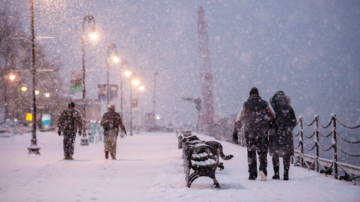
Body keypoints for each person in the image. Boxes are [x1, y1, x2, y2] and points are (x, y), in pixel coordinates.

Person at [233, 87, 275, 181]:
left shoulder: (246, 105)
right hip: (262, 133)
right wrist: (270, 124)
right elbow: (273, 115)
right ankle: (263, 170)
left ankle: (252, 173)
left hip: (249, 133)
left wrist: (235, 132)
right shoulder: (265, 104)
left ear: (250, 95)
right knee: (262, 153)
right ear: (258, 94)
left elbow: (239, 118)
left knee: (251, 153)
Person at [269, 91, 296, 181]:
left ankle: (276, 174)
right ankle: (286, 174)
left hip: (275, 134)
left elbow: (269, 120)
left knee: (275, 154)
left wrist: (272, 128)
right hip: (286, 135)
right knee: (286, 155)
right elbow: (294, 121)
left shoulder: (273, 108)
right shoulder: (289, 108)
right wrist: (288, 128)